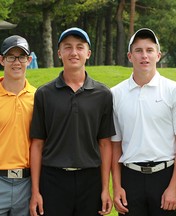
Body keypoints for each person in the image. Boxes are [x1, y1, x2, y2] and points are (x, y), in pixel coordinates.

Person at [29, 27, 115, 216]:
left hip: (90, 180)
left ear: (88, 53)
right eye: (67, 47)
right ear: (59, 53)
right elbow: (37, 145)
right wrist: (35, 191)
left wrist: (104, 189)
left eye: (79, 47)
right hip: (53, 180)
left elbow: (105, 144)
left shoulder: (103, 95)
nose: (74, 52)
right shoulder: (44, 94)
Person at [111, 28, 176, 216]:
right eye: (138, 51)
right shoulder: (115, 94)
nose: (144, 56)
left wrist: (174, 186)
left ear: (158, 55)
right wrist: (117, 186)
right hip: (130, 177)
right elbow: (115, 145)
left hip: (164, 176)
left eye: (149, 50)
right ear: (130, 56)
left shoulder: (174, 91)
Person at [0, 35, 35, 215]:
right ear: (1, 60)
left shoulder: (38, 98)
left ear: (29, 60)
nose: (16, 62)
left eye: (21, 57)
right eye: (11, 57)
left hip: (27, 184)